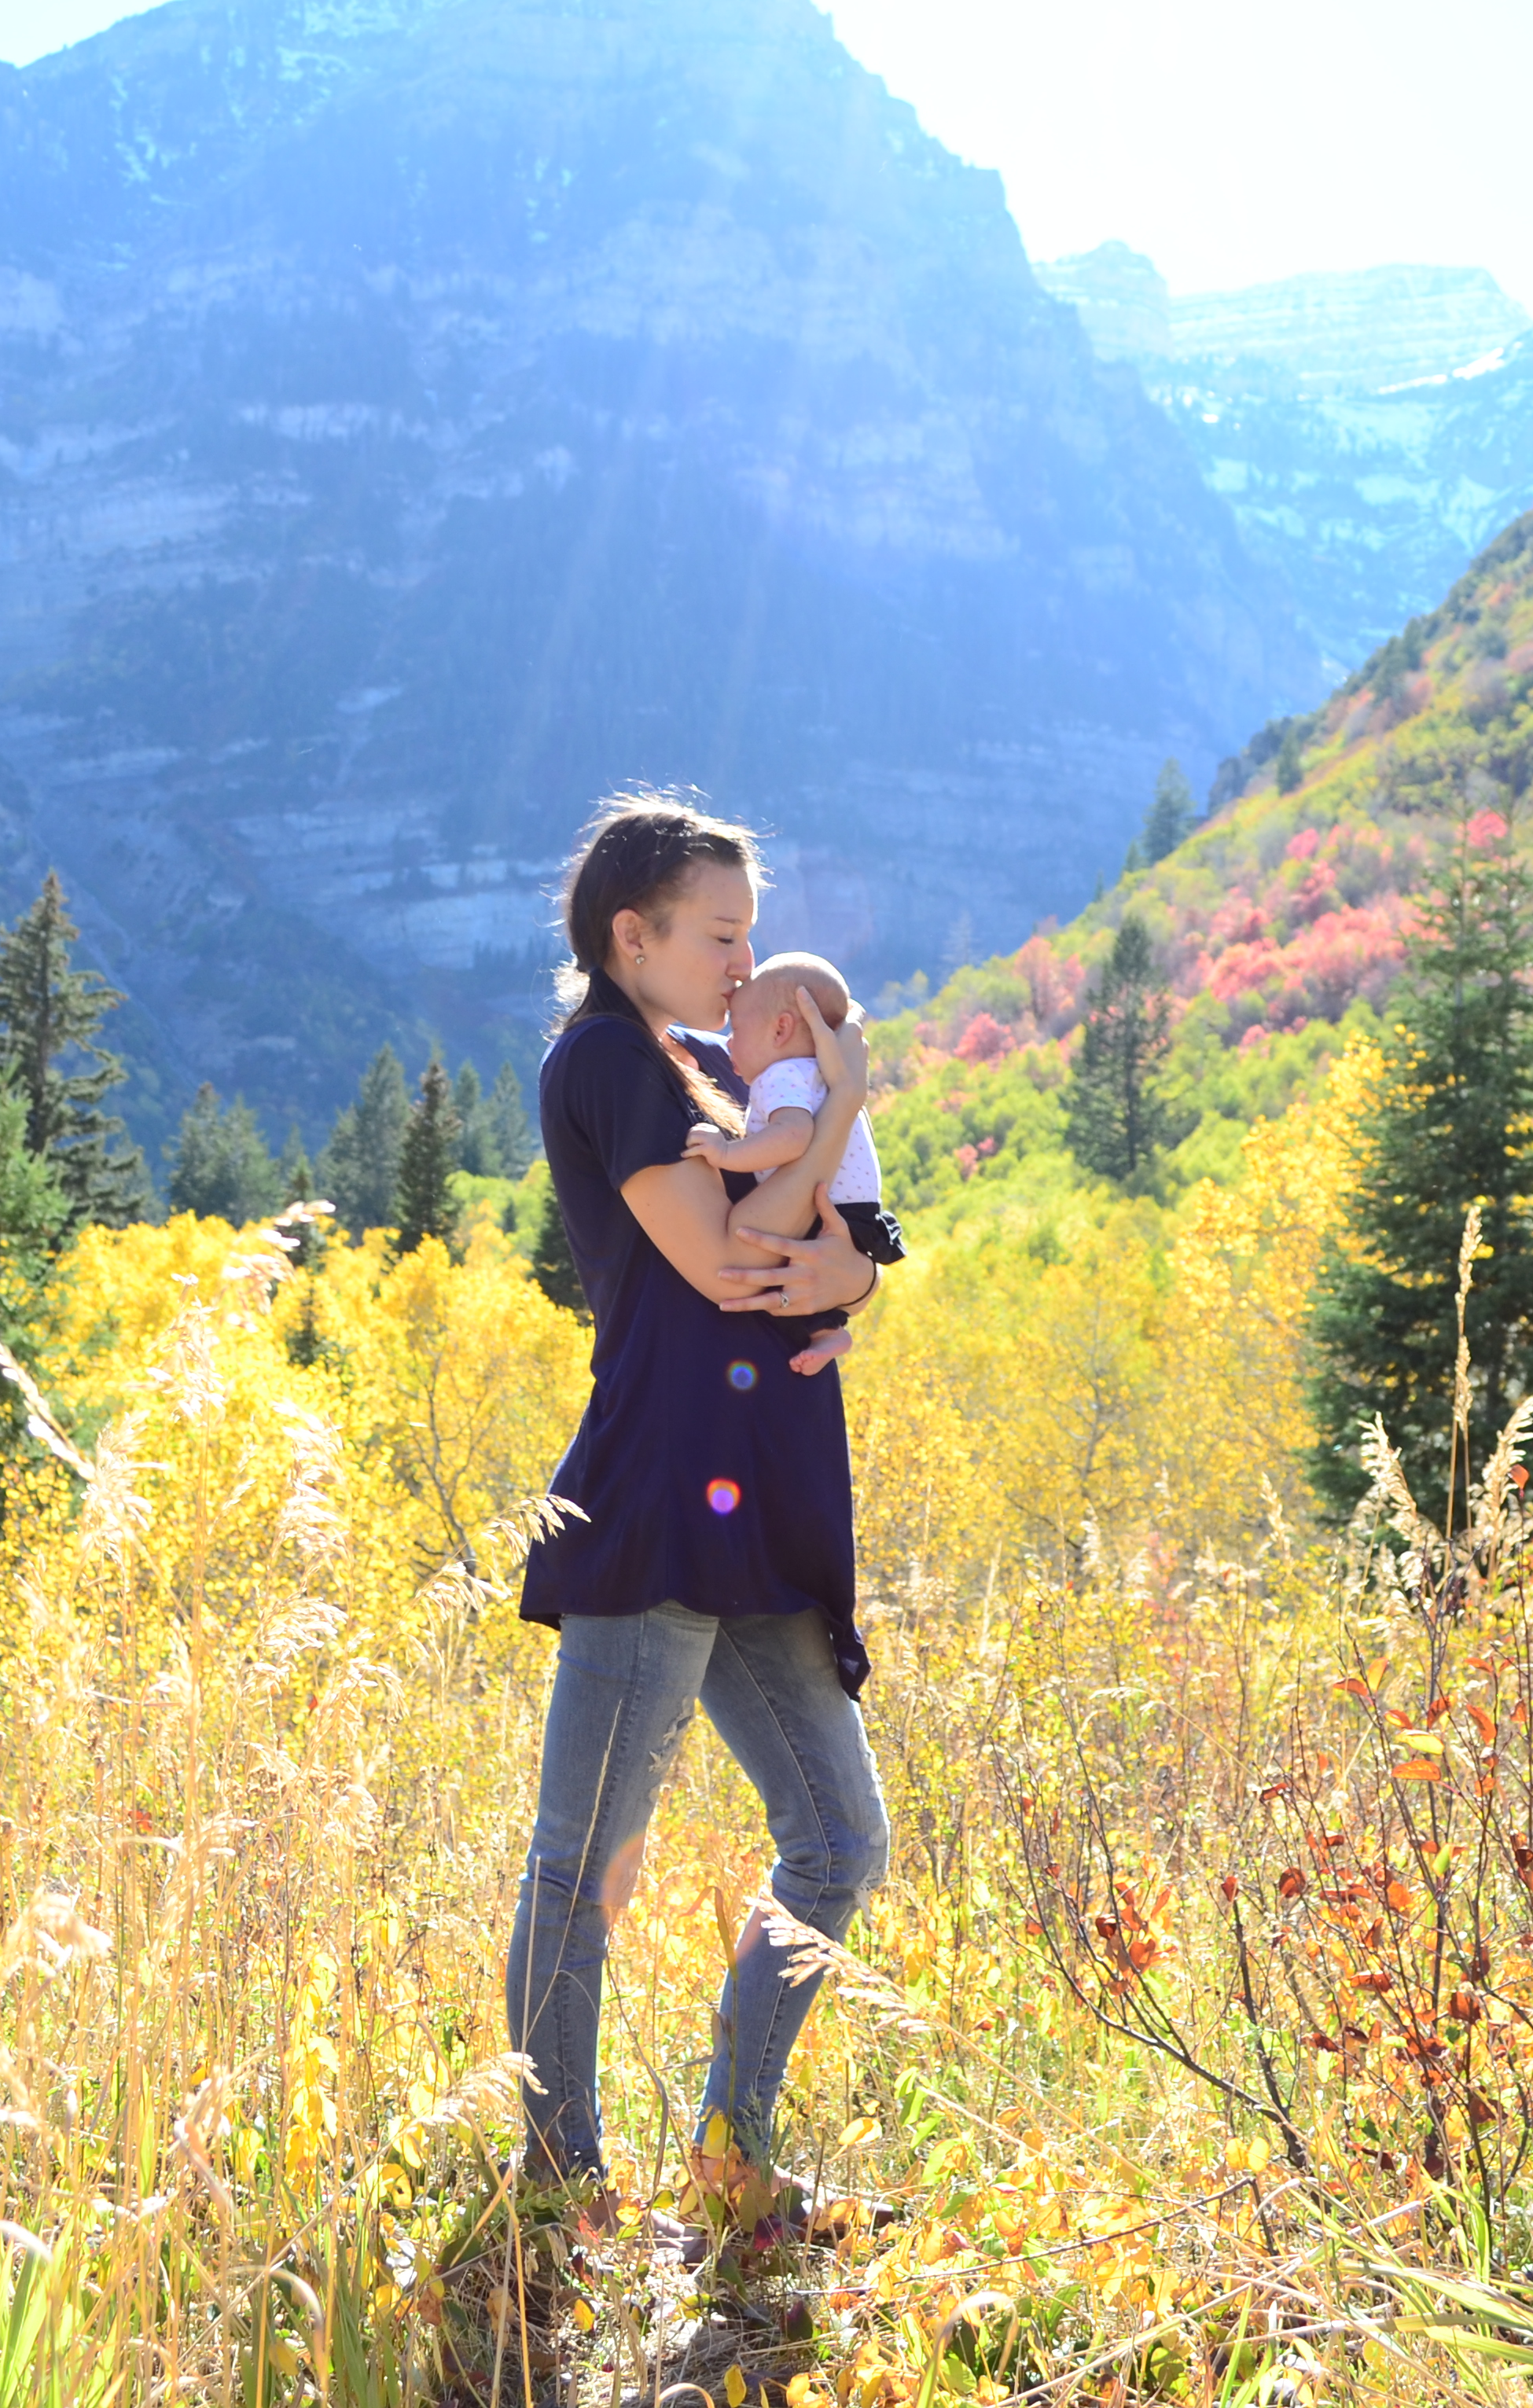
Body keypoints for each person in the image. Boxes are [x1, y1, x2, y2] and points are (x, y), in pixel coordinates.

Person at [508, 792, 894, 2240]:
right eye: (719, 932)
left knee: (837, 1840)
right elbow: (734, 1260)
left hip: (757, 1513)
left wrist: (858, 1271)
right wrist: (843, 1104)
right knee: (579, 1860)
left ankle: (729, 2147)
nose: (747, 959)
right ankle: (557, 2184)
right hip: (661, 1501)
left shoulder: (703, 1064)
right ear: (633, 932)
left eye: (749, 930)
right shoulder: (608, 1060)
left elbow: (828, 1232)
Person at [685, 950, 898, 1378]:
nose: (729, 1042)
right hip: (854, 1213)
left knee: (791, 1259)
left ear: (781, 1029)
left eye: (738, 1030)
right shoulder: (822, 1073)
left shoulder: (779, 1076)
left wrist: (726, 1153)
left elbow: (792, 1137)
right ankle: (828, 1330)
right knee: (803, 1267)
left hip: (827, 1209)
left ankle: (826, 1330)